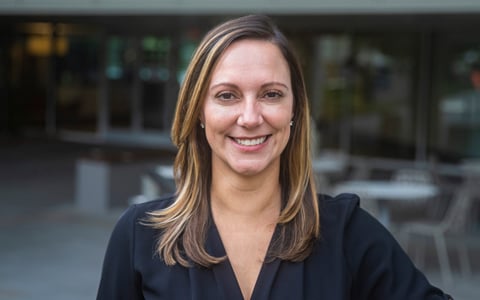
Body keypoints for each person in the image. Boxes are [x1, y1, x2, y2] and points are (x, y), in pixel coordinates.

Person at [97, 15, 453, 300]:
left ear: (295, 109)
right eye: (226, 96)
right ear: (198, 112)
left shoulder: (347, 233)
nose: (250, 118)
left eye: (270, 94)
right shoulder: (140, 235)